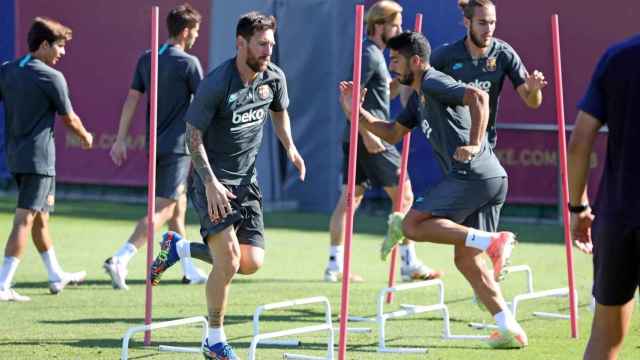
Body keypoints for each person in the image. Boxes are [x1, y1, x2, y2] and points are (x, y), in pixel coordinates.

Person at [339, 31, 526, 348]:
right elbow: (392, 133)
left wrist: (474, 144)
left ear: (415, 61)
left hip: (474, 174)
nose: (392, 67)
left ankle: (494, 241)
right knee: (466, 261)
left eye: (396, 61)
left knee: (411, 224)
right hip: (490, 179)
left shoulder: (433, 81)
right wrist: (355, 112)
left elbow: (478, 98)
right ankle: (508, 327)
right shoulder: (416, 96)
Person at [158, 11, 305, 359]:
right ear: (241, 44)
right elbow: (192, 138)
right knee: (229, 263)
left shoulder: (274, 77)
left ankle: (178, 248)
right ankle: (213, 338)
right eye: (261, 44)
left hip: (247, 183)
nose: (268, 50)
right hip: (212, 181)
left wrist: (291, 148)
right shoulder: (217, 82)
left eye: (271, 43)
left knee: (251, 262)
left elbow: (279, 113)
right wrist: (209, 183)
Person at [326, 0, 441, 283]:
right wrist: (367, 135)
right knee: (405, 195)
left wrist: (400, 81)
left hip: (361, 136)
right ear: (379, 26)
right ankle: (408, 263)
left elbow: (382, 95)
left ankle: (334, 265)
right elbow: (351, 98)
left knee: (349, 200)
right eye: (395, 25)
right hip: (371, 136)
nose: (400, 30)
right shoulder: (368, 54)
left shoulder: (376, 54)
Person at [104, 3, 207, 290]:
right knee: (163, 209)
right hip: (177, 148)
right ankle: (120, 258)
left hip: (155, 147)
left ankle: (188, 269)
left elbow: (131, 100)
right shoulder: (189, 63)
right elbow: (203, 105)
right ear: (186, 31)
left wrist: (120, 138)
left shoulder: (147, 57)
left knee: (178, 207)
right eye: (196, 31)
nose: (197, 36)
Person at [0, 17, 93, 301]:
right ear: (43, 45)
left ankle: (55, 275)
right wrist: (86, 137)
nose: (62, 53)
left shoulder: (8, 70)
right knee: (25, 220)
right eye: (59, 46)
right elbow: (69, 118)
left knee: (40, 219)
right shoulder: (52, 77)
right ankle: (3, 284)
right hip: (39, 161)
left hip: (15, 157)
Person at [567, 34, 640, 360]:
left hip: (617, 219)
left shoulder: (618, 55)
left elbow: (580, 140)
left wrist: (577, 206)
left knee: (605, 337)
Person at [430, 0, 547, 149]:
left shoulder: (503, 54)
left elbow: (532, 102)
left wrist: (535, 89)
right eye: (482, 23)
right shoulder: (446, 55)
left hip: (485, 143)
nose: (489, 29)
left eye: (492, 23)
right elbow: (418, 79)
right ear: (467, 22)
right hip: (452, 142)